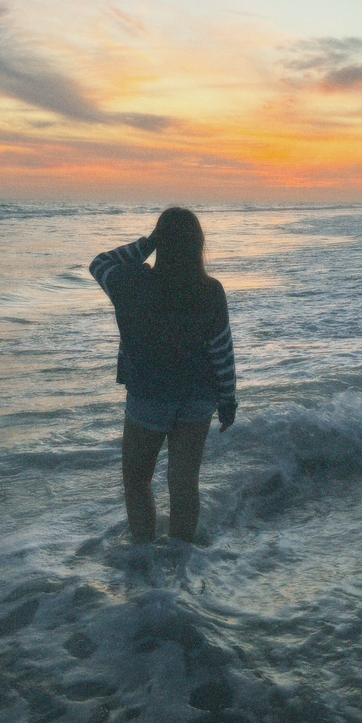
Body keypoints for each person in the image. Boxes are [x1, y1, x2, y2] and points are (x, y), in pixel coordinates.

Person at [90, 208, 237, 544]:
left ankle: (144, 556)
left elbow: (100, 264)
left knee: (138, 480)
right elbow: (221, 351)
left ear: (161, 243)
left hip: (149, 396)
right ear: (198, 245)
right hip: (197, 398)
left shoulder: (131, 284)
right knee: (184, 483)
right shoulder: (210, 290)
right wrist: (228, 400)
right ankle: (182, 559)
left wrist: (146, 244)